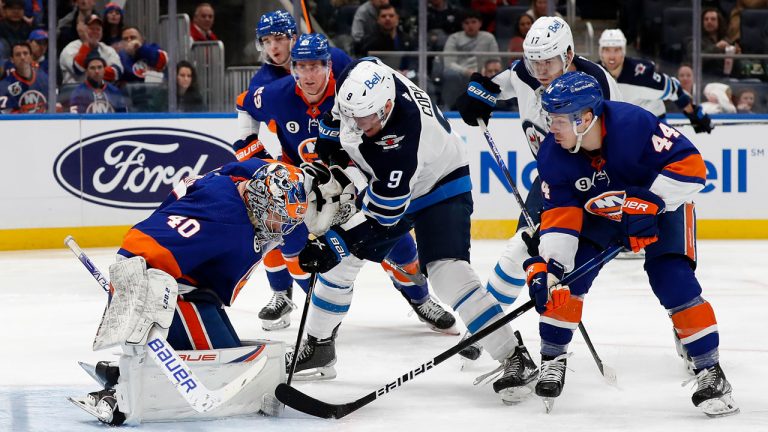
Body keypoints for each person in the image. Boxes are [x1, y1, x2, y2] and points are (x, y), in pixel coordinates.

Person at [290, 57, 533, 403]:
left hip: (439, 184)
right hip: (392, 181)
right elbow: (339, 114)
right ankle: (319, 346)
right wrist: (329, 148)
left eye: (365, 119)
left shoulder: (401, 141)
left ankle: (515, 357)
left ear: (387, 107)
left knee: (447, 273)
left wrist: (335, 242)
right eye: (352, 116)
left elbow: (381, 220)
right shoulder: (361, 81)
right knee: (341, 265)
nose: (356, 127)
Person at [71, 157, 356, 425]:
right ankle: (119, 394)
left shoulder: (253, 182)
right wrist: (139, 294)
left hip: (196, 291)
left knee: (233, 359)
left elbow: (264, 171)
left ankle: (124, 371)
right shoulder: (221, 211)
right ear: (258, 202)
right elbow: (140, 245)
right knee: (220, 368)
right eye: (278, 219)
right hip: (171, 295)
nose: (283, 228)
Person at [524, 70, 739, 418]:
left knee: (671, 277)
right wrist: (552, 269)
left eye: (559, 119)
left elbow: (694, 167)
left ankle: (710, 370)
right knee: (567, 280)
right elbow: (561, 218)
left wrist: (650, 201)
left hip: (664, 206)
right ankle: (553, 357)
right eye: (550, 118)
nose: (552, 127)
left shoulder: (633, 123)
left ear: (586, 118)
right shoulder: (553, 154)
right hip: (600, 212)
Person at [237, 33, 456, 338]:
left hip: (354, 183)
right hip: (306, 191)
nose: (308, 75)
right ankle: (310, 311)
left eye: (315, 66)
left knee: (398, 243)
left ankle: (421, 299)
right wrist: (250, 148)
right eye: (301, 66)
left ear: (328, 66)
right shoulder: (276, 93)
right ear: (293, 68)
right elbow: (243, 105)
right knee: (291, 242)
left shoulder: (347, 92)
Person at [454, 16, 622, 362]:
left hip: (596, 180)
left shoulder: (596, 82)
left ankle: (683, 332)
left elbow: (621, 135)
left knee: (570, 270)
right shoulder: (524, 72)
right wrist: (476, 96)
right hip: (552, 179)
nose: (541, 69)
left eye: (548, 60)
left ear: (569, 53)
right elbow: (490, 87)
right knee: (519, 250)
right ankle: (485, 327)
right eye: (535, 60)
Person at [598, 29, 713, 133]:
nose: (612, 56)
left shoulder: (641, 73)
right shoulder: (595, 74)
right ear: (601, 52)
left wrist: (693, 113)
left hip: (653, 128)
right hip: (621, 130)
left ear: (623, 51)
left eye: (616, 50)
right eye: (607, 50)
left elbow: (674, 89)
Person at [441, 9, 499, 109]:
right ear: (462, 25)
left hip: (483, 74)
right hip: (459, 75)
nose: (470, 25)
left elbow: (495, 60)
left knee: (496, 75)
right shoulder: (454, 38)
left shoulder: (489, 38)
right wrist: (466, 71)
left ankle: (496, 108)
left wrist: (486, 71)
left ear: (480, 23)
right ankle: (448, 108)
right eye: (466, 23)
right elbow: (449, 63)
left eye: (473, 22)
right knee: (450, 74)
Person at [59, 13, 122, 84]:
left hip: (101, 91)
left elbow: (117, 72)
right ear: (83, 30)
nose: (95, 32)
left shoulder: (107, 49)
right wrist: (86, 42)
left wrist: (91, 71)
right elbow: (78, 69)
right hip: (74, 91)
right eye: (91, 29)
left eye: (98, 29)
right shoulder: (71, 48)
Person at [361, 4, 415, 75]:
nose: (387, 18)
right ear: (378, 20)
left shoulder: (407, 39)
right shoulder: (369, 42)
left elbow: (414, 62)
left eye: (391, 16)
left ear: (397, 18)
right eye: (383, 16)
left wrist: (408, 72)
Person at [686, 7, 740, 77]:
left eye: (713, 19)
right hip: (704, 78)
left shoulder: (726, 41)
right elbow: (692, 60)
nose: (709, 21)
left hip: (726, 78)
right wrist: (716, 48)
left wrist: (737, 56)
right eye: (706, 19)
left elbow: (733, 67)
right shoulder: (695, 40)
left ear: (719, 22)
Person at [0, 40, 47, 113]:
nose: (22, 57)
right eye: (18, 54)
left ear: (31, 57)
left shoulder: (44, 79)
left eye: (25, 53)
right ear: (12, 60)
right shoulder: (4, 87)